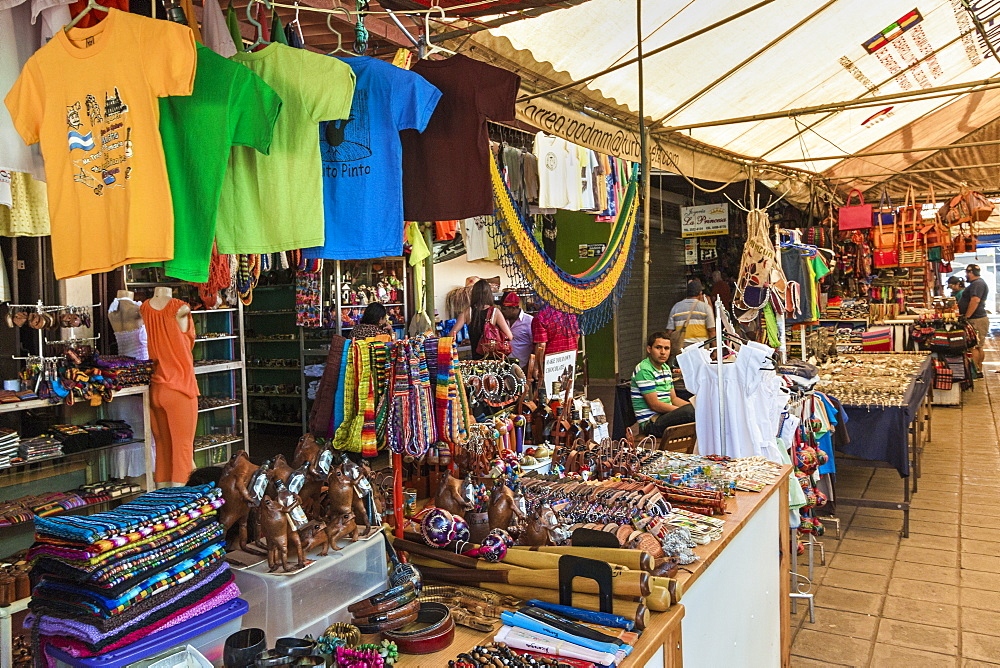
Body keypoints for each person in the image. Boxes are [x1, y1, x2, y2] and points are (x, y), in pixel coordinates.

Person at [630, 332, 695, 438]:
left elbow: (674, 399)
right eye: (658, 348)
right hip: (652, 423)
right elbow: (654, 404)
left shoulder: (665, 368)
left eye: (666, 348)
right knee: (691, 412)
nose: (663, 352)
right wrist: (683, 412)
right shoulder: (644, 369)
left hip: (665, 417)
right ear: (649, 349)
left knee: (697, 408)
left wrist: (693, 408)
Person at [450, 278, 512, 359]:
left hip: (476, 358)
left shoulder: (467, 312)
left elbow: (451, 335)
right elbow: (509, 336)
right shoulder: (495, 312)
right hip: (493, 360)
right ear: (489, 294)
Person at [666, 280, 716, 348]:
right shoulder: (706, 308)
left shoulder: (676, 307)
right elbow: (711, 331)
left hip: (681, 347)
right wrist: (715, 349)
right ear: (700, 293)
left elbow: (669, 331)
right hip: (701, 347)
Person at [960, 264, 990, 369]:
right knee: (978, 346)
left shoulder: (977, 284)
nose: (966, 276)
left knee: (973, 346)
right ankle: (978, 369)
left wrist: (967, 316)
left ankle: (976, 370)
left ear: (970, 272)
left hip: (976, 319)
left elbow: (975, 300)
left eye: (966, 273)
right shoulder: (978, 283)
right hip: (978, 318)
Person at [499, 291, 533, 368]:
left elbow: (535, 347)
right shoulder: (502, 321)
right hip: (504, 365)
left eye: (504, 309)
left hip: (523, 366)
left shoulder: (529, 321)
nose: (501, 312)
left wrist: (529, 367)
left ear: (513, 308)